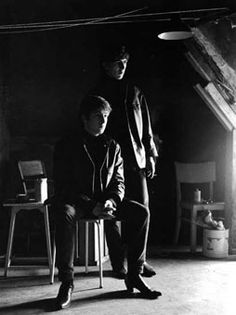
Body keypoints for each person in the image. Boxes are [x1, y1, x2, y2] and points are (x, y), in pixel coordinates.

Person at [53, 95, 161, 310]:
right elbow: (64, 186)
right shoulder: (67, 145)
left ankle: (134, 275)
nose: (103, 121)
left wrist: (112, 200)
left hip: (105, 202)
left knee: (141, 212)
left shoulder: (113, 146)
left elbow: (118, 182)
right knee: (64, 212)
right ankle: (67, 282)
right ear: (84, 119)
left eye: (105, 116)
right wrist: (91, 204)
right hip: (78, 203)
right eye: (97, 116)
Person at [92, 44, 158, 279]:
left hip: (136, 160)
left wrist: (150, 154)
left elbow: (146, 125)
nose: (122, 67)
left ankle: (138, 262)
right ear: (105, 65)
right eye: (117, 62)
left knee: (142, 210)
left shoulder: (134, 91)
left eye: (125, 63)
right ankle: (118, 262)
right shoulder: (97, 93)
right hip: (108, 163)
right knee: (111, 213)